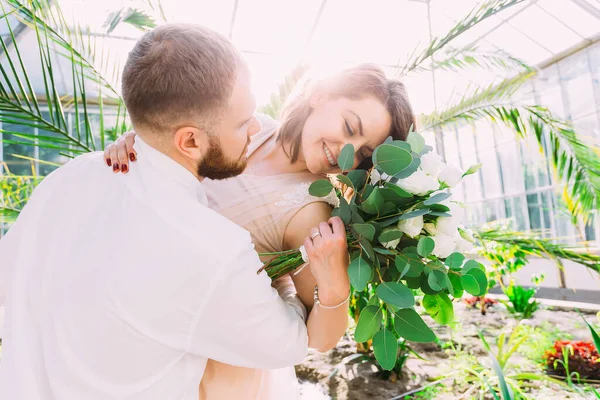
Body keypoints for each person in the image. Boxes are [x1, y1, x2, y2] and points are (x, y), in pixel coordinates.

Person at [0, 24, 350, 400]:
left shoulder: (67, 178)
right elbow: (291, 343)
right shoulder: (216, 252)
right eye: (242, 122)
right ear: (190, 140)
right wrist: (278, 278)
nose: (256, 130)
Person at [105, 62, 416, 399]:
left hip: (206, 368)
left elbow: (321, 340)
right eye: (348, 126)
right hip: (134, 319)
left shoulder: (312, 213)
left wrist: (335, 286)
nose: (346, 153)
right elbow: (183, 145)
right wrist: (144, 146)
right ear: (320, 94)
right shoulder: (251, 127)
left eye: (363, 153)